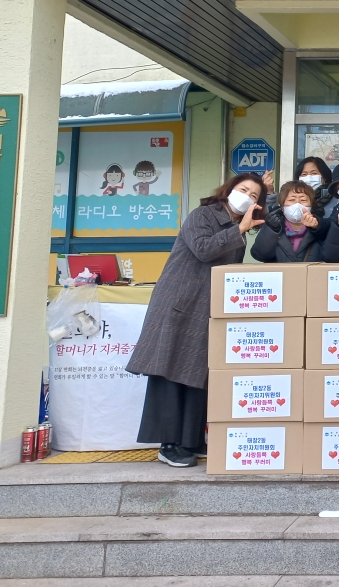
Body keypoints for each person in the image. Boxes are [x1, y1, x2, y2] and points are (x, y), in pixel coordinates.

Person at [126, 172, 265, 468]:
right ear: (228, 189)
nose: (247, 197)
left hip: (206, 308)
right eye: (243, 190)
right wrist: (240, 228)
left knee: (196, 374)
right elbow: (203, 250)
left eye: (254, 195)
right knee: (169, 371)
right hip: (179, 304)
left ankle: (190, 440)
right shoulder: (203, 214)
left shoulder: (236, 229)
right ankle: (168, 444)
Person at [251, 180, 329, 263]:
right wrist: (272, 229)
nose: (297, 204)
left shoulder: (322, 228)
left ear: (311, 206)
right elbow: (260, 255)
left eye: (303, 200)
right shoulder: (274, 226)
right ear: (282, 207)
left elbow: (331, 255)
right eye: (291, 200)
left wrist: (317, 227)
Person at [261, 156, 332, 230]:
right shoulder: (289, 198)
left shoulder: (335, 197)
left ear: (325, 177)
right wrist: (269, 191)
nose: (309, 177)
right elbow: (272, 217)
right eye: (304, 174)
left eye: (314, 173)